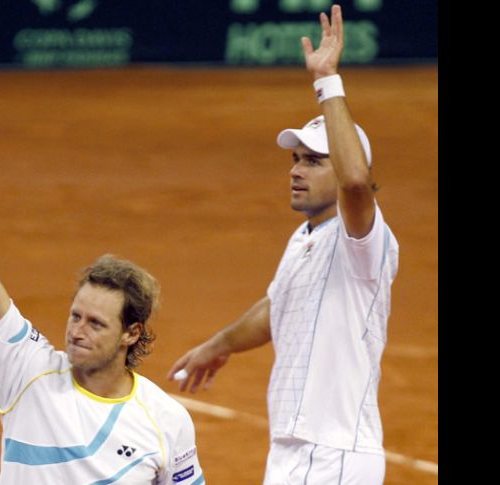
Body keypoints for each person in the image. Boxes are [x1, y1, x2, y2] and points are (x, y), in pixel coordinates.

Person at [166, 5, 398, 485]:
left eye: (313, 161)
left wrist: (327, 82)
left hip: (333, 454)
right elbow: (279, 304)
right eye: (295, 159)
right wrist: (220, 344)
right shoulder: (306, 237)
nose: (295, 170)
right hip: (294, 451)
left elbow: (357, 183)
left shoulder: (363, 242)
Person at [0, 99, 205, 485]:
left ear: (132, 333)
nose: (77, 330)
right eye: (76, 316)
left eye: (96, 323)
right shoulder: (27, 370)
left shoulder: (166, 420)